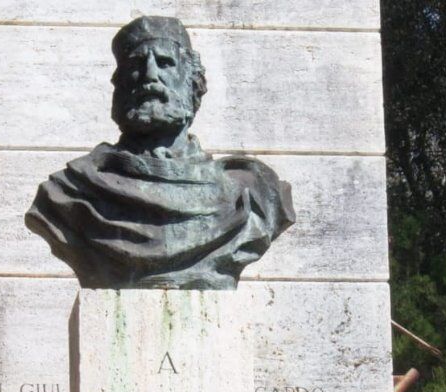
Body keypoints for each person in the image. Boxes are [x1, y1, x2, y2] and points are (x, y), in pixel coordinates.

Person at [25, 16, 295, 290]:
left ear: (193, 84)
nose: (150, 75)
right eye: (136, 65)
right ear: (119, 88)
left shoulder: (251, 192)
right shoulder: (71, 191)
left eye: (165, 63)